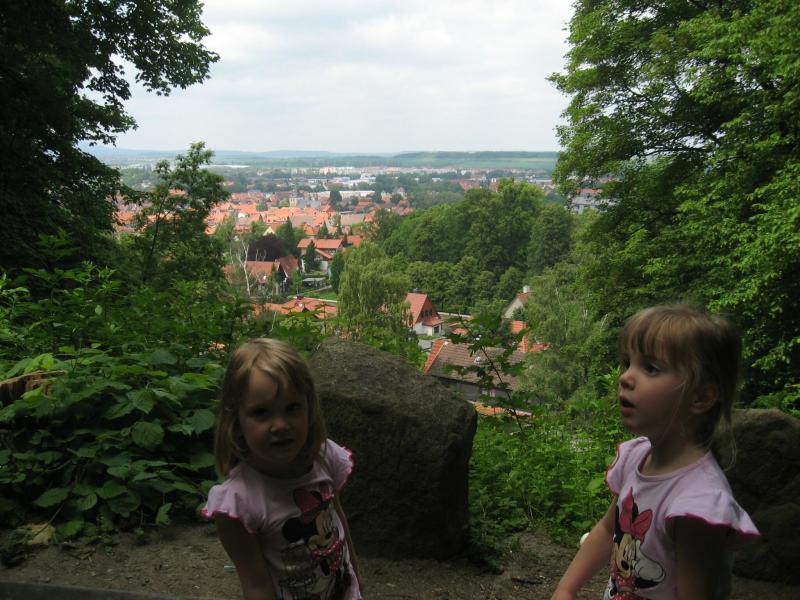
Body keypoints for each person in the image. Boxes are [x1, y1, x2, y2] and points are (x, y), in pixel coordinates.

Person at [551, 305, 759, 600]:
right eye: (628, 363)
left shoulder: (697, 503)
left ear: (701, 397)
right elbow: (607, 531)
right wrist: (566, 588)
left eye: (650, 368)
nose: (625, 377)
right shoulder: (637, 458)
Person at [202, 338, 362, 600]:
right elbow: (256, 584)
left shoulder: (323, 458)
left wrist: (357, 580)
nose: (280, 425)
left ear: (309, 407)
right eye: (261, 413)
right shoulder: (239, 503)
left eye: (292, 408)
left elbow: (338, 522)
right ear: (236, 421)